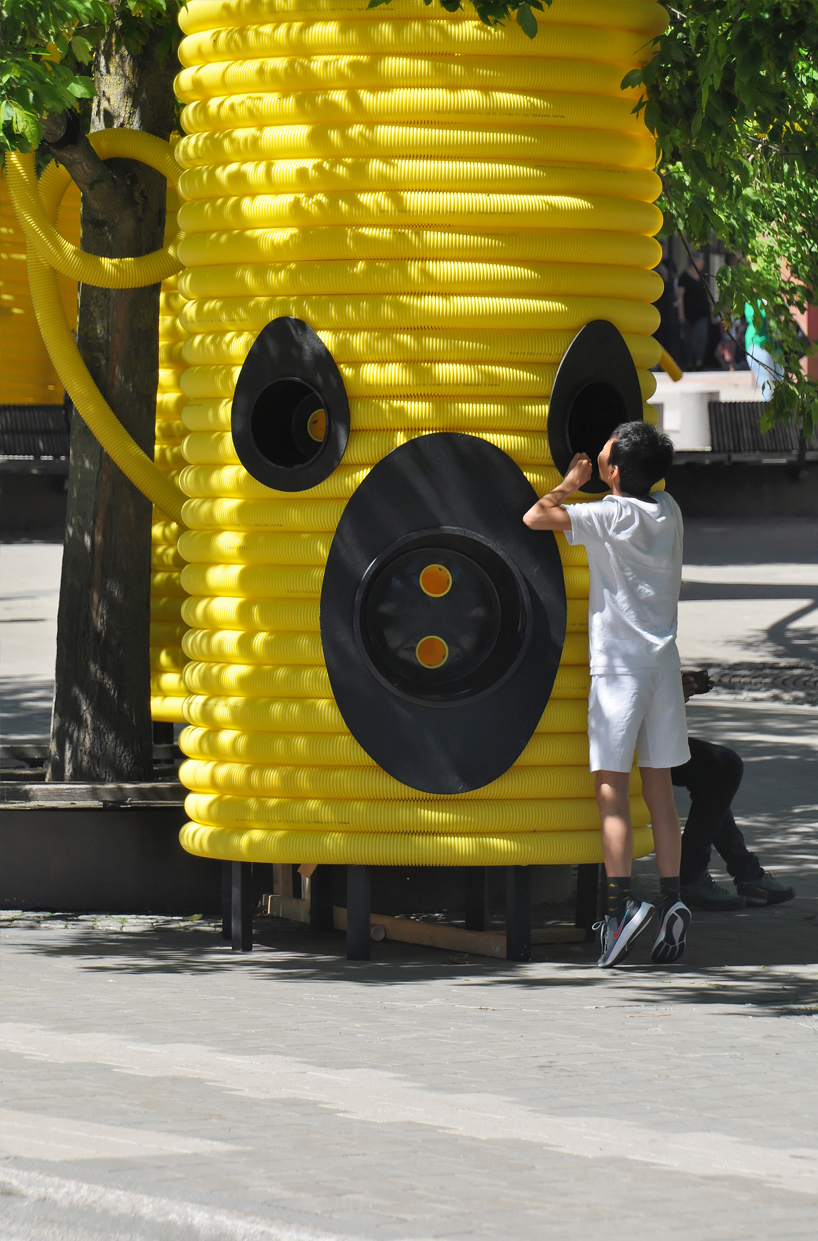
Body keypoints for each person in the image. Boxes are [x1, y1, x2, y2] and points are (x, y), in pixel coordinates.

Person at [523, 421, 691, 968]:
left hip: (618, 670)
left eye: (602, 458)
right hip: (664, 666)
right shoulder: (668, 511)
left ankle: (619, 912)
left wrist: (572, 480)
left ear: (614, 471)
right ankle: (672, 900)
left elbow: (534, 517)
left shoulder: (608, 514)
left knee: (611, 792)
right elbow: (642, 489)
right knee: (660, 791)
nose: (595, 460)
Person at [674, 672, 796, 910]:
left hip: (648, 737)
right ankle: (691, 875)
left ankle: (746, 872)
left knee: (716, 772)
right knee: (723, 766)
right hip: (630, 744)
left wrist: (682, 685)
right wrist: (670, 691)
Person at [677, 252, 711, 371]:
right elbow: (680, 296)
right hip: (688, 313)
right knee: (689, 339)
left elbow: (706, 293)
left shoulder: (702, 276)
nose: (703, 263)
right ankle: (689, 362)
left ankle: (699, 361)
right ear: (695, 261)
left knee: (701, 337)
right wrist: (681, 314)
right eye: (701, 260)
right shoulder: (684, 277)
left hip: (702, 312)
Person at [744, 301, 784, 401]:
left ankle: (778, 415)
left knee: (781, 387)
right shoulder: (752, 299)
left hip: (776, 347)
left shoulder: (775, 298)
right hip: (759, 344)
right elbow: (755, 319)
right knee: (768, 388)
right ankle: (766, 414)